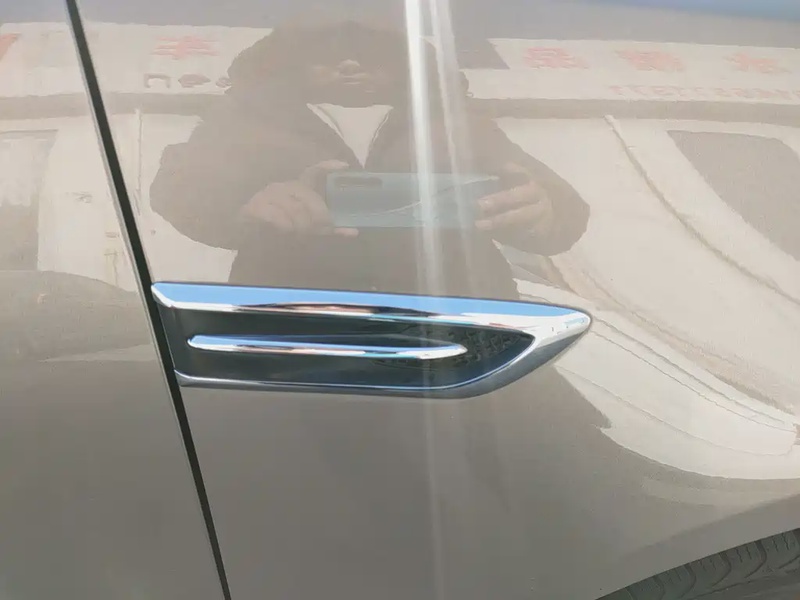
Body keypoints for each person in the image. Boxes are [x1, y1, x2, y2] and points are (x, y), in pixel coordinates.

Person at [150, 16, 589, 299]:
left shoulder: (454, 119)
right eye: (326, 54)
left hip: (461, 323)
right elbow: (180, 182)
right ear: (291, 61)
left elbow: (548, 194)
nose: (349, 64)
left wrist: (544, 212)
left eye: (373, 54)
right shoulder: (247, 117)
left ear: (405, 62)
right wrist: (243, 207)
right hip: (291, 317)